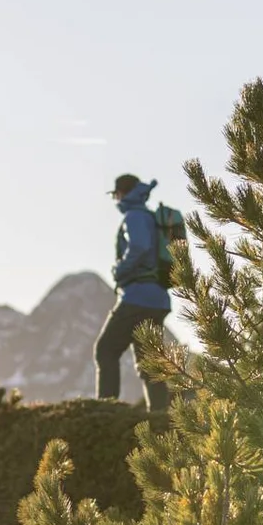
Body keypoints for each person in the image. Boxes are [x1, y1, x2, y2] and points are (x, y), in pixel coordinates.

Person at [94, 173, 172, 414]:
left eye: (115, 195)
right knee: (150, 362)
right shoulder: (150, 216)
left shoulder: (135, 216)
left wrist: (119, 270)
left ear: (122, 194)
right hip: (158, 299)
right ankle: (160, 417)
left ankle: (106, 413)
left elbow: (140, 246)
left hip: (136, 297)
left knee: (106, 350)